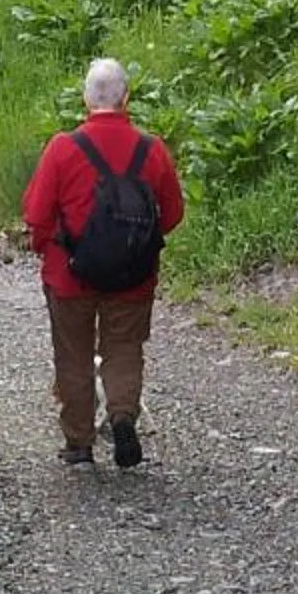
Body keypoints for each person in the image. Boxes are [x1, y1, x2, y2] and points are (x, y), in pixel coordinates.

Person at [22, 57, 185, 469]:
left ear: (86, 99)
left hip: (69, 274)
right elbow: (172, 213)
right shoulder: (152, 150)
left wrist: (45, 248)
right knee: (124, 348)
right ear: (126, 98)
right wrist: (136, 247)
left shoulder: (62, 148)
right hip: (133, 277)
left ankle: (79, 443)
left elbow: (37, 214)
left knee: (73, 355)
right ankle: (122, 416)